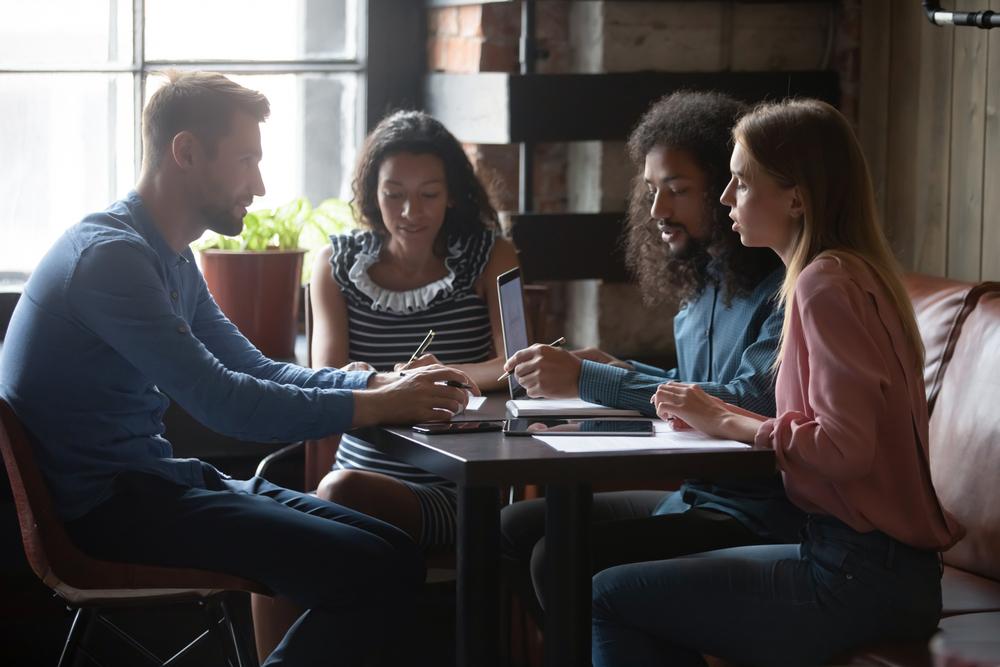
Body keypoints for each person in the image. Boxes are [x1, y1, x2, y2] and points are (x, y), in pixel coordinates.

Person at [0, 71, 476, 667]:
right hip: (108, 513)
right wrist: (381, 404)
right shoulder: (111, 259)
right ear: (187, 152)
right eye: (247, 159)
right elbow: (225, 402)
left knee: (395, 553)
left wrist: (376, 382)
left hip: (157, 485)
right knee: (379, 568)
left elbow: (252, 367)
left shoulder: (166, 255)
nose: (260, 183)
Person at [591, 99, 965, 666]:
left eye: (740, 181)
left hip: (857, 575)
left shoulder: (823, 284)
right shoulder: (846, 273)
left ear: (796, 197)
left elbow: (844, 450)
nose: (724, 197)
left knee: (607, 595)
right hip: (868, 564)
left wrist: (734, 422)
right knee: (618, 587)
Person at [499, 91, 801, 614]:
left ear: (725, 189)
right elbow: (692, 387)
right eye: (652, 191)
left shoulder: (785, 290)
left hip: (753, 513)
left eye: (678, 190)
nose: (658, 210)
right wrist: (613, 369)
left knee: (556, 556)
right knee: (514, 525)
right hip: (695, 494)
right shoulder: (705, 283)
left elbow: (748, 399)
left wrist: (591, 382)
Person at [308, 109, 518, 548]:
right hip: (356, 472)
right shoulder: (335, 264)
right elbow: (324, 379)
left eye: (428, 194)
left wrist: (434, 377)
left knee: (336, 502)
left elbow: (518, 365)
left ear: (452, 196)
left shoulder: (492, 255)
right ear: (372, 193)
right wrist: (365, 377)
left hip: (458, 489)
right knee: (285, 537)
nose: (410, 212)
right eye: (394, 194)